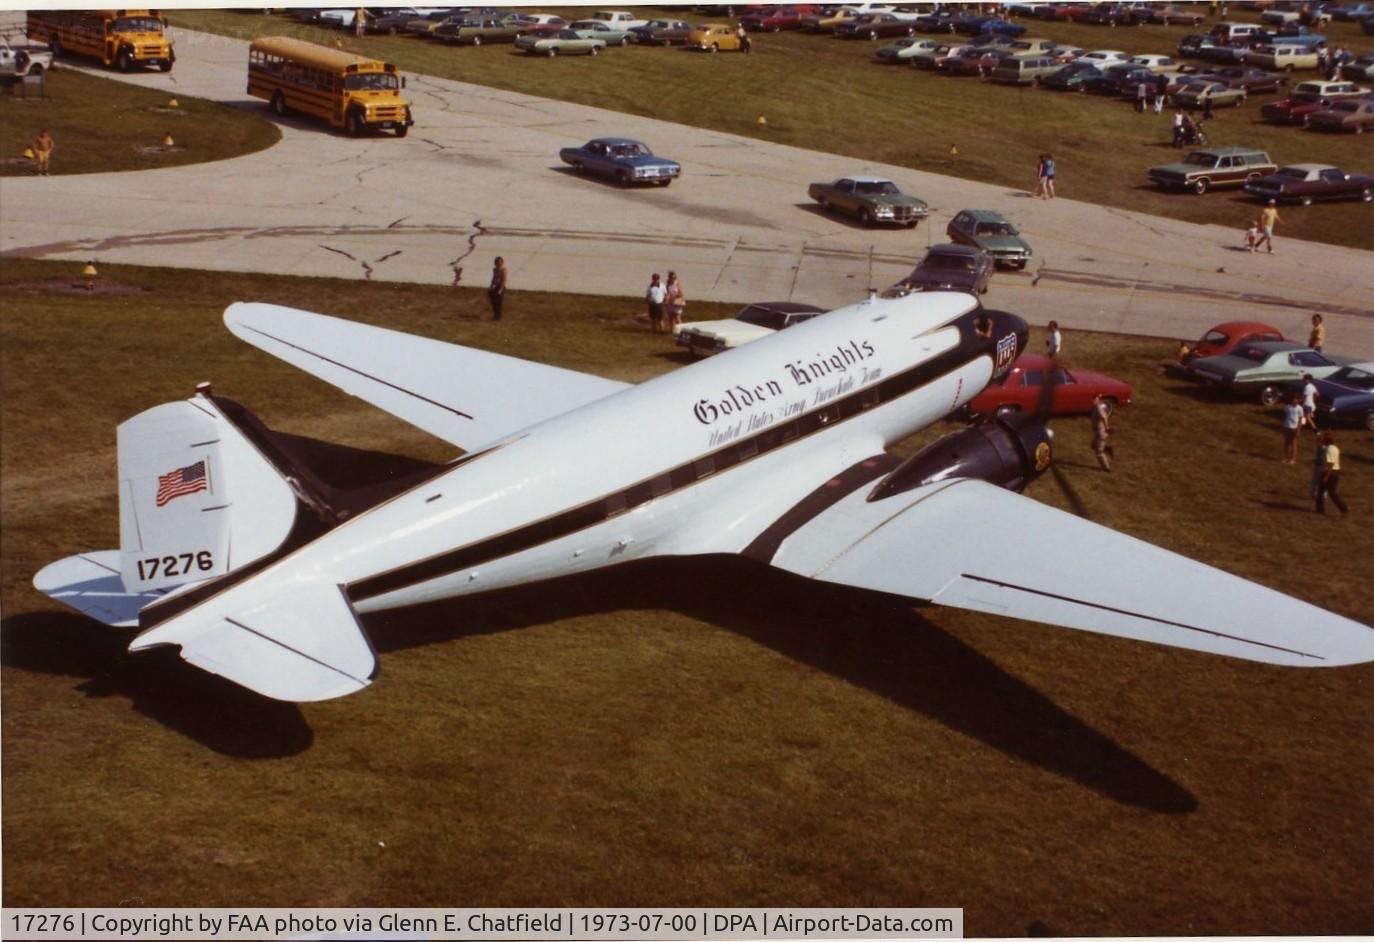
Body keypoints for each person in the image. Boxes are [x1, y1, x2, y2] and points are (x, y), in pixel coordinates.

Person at [1314, 432, 1348, 515]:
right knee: (1331, 493)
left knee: (1321, 491)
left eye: (1324, 439)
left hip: (1330, 472)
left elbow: (1330, 464)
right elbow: (1321, 446)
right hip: (1336, 472)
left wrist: (1326, 476)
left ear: (1327, 440)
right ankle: (1343, 508)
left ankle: (1320, 510)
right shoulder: (1335, 448)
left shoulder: (1329, 449)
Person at [1091, 394, 1113, 472]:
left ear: (1098, 400)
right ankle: (1107, 449)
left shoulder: (1099, 409)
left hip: (1100, 432)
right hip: (1097, 432)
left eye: (1094, 399)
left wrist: (1107, 427)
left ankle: (1106, 467)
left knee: (1099, 451)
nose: (1092, 401)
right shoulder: (1096, 408)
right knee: (1093, 446)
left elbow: (1104, 418)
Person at [1281, 393, 1303, 464]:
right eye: (1293, 399)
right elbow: (1285, 416)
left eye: (1296, 399)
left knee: (1293, 443)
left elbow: (1300, 419)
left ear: (1298, 400)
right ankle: (1285, 458)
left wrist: (1298, 429)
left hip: (1294, 427)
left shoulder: (1300, 408)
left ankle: (1293, 459)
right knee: (1286, 443)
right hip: (1287, 426)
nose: (1294, 401)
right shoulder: (1287, 407)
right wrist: (1283, 425)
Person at [487, 256, 507, 321]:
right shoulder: (495, 269)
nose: (498, 264)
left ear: (502, 263)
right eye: (497, 263)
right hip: (495, 287)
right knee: (493, 302)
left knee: (499, 302)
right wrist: (491, 286)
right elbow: (493, 278)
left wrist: (500, 290)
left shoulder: (503, 270)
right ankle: (495, 315)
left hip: (500, 287)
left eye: (500, 263)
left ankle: (499, 316)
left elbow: (504, 280)